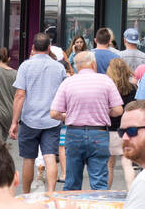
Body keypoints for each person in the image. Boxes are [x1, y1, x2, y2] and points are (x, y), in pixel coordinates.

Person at [50, 51, 124, 191]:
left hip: (74, 134)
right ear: (93, 64)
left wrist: (67, 116)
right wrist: (104, 112)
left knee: (72, 182)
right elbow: (118, 110)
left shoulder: (68, 82)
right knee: (99, 183)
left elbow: (54, 113)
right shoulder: (106, 80)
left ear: (77, 67)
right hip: (99, 134)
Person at [9, 32, 68, 193]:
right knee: (50, 157)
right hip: (52, 119)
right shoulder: (58, 67)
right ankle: (50, 193)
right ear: (49, 48)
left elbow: (20, 95)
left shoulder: (25, 66)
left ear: (33, 47)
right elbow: (64, 92)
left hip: (30, 119)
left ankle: (27, 194)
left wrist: (14, 122)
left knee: (28, 159)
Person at [106, 57, 137, 189]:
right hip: (127, 129)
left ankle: (106, 193)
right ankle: (131, 190)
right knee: (127, 163)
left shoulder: (107, 87)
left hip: (109, 129)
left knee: (109, 165)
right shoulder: (132, 88)